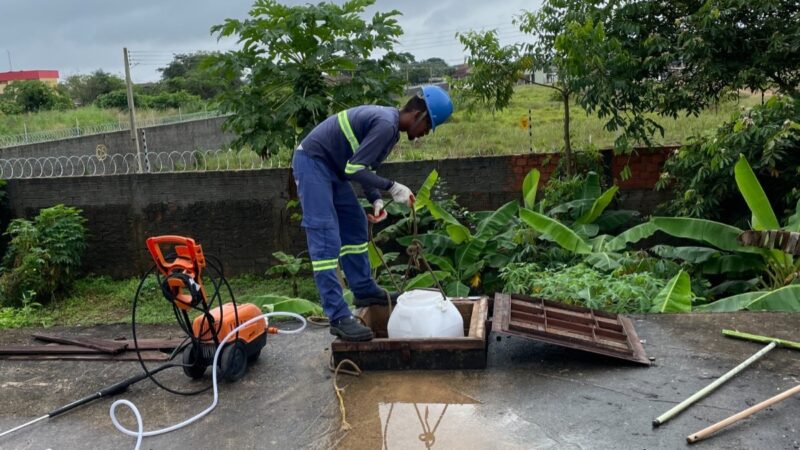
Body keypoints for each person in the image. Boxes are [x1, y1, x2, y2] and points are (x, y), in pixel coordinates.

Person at [291, 85, 453, 341]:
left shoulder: (390, 129)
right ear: (418, 115)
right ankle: (338, 317)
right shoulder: (386, 124)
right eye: (427, 126)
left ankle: (364, 289)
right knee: (325, 237)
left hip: (333, 169)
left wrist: (375, 198)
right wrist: (391, 187)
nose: (423, 134)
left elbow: (359, 166)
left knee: (355, 222)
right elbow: (354, 170)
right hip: (313, 162)